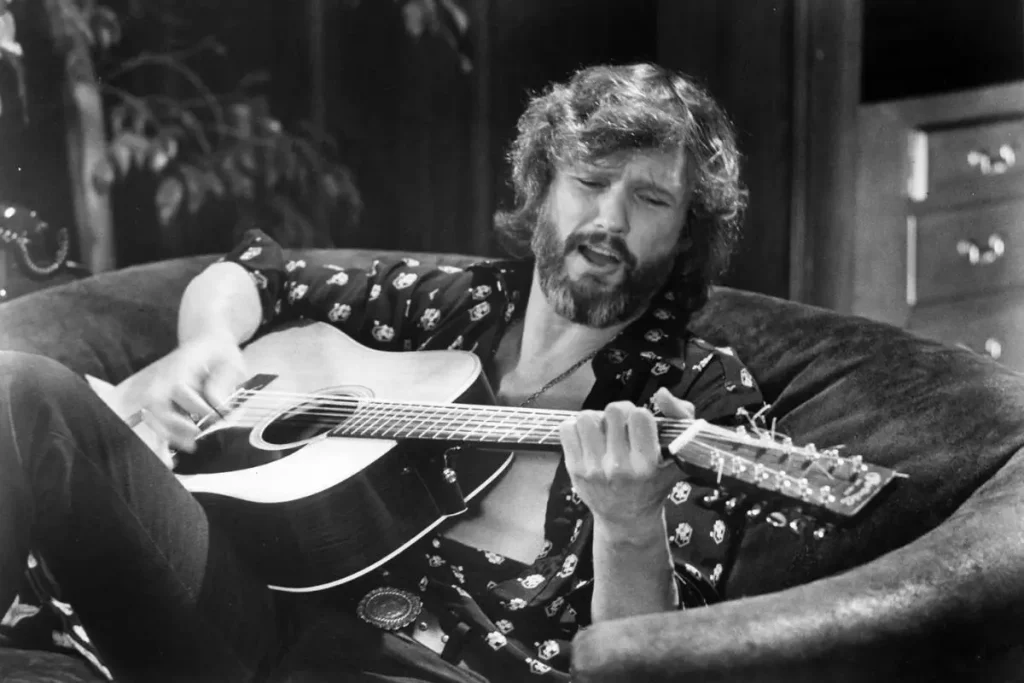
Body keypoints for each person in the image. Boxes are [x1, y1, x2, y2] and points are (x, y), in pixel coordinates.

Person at [0, 62, 763, 682]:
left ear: (686, 232)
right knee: (21, 390)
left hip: (442, 668)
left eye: (651, 198)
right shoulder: (455, 306)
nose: (610, 221)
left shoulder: (697, 399)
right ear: (544, 189)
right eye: (590, 182)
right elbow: (256, 271)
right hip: (249, 625)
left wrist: (630, 524)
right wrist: (206, 344)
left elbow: (653, 662)